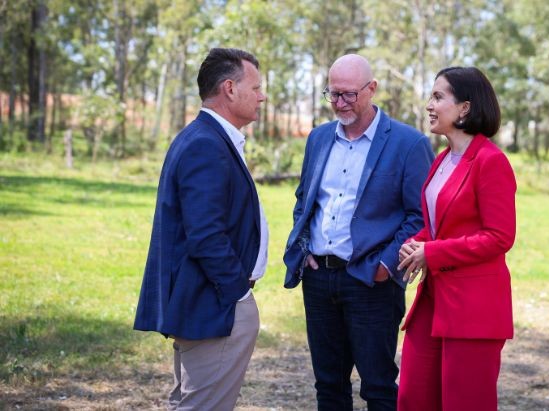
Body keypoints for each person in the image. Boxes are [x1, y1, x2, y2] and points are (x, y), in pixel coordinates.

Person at [282, 54, 434, 410]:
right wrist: (303, 250)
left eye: (349, 95)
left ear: (372, 89)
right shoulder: (318, 139)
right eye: (333, 94)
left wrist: (385, 265)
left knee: (379, 387)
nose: (340, 103)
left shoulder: (408, 144)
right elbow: (305, 200)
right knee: (329, 386)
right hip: (319, 279)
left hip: (371, 282)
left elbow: (419, 217)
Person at [133, 48, 268, 410]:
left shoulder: (206, 138)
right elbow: (205, 235)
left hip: (209, 303)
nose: (262, 95)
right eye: (255, 87)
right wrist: (236, 292)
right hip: (215, 307)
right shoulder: (207, 144)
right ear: (229, 88)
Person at [396, 66, 517, 411]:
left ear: (464, 108)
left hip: (473, 309)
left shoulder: (491, 162)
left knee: (465, 403)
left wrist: (432, 253)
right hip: (433, 302)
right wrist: (417, 244)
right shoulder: (441, 160)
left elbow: (499, 236)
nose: (429, 105)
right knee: (412, 399)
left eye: (438, 97)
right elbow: (439, 226)